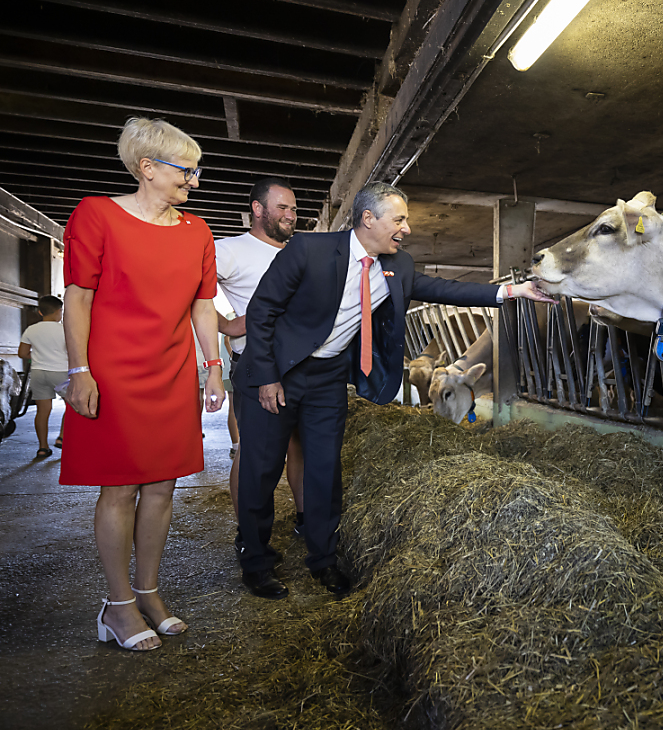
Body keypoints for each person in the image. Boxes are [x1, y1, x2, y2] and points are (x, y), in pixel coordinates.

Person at [234, 181, 556, 599]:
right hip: (278, 371)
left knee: (324, 470)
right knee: (261, 469)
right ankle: (256, 561)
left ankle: (323, 560)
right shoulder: (309, 250)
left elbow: (442, 288)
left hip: (327, 379)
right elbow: (261, 311)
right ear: (368, 219)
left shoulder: (396, 265)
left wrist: (513, 291)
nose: (406, 229)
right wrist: (266, 377)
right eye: (399, 219)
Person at [61, 117, 225, 652]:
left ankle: (149, 593)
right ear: (147, 167)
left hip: (172, 371)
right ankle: (117, 605)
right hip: (112, 371)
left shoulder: (197, 231)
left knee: (162, 486)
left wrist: (213, 366)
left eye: (196, 171)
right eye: (186, 170)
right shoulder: (97, 215)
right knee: (120, 486)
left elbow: (204, 305)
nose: (194, 181)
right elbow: (78, 297)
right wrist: (79, 370)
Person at [215, 178, 304, 540]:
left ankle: (304, 519)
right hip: (257, 363)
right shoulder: (229, 250)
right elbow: (184, 291)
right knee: (254, 451)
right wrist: (227, 325)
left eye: (294, 209)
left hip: (301, 363)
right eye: (282, 207)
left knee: (301, 445)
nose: (290, 215)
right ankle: (249, 533)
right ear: (257, 209)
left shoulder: (298, 251)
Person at [18, 294, 68, 457]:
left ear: (40, 312)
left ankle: (43, 448)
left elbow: (22, 353)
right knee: (72, 406)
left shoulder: (31, 329)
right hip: (61, 373)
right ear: (59, 311)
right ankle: (61, 437)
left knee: (42, 411)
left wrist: (38, 357)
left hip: (38, 373)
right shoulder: (65, 329)